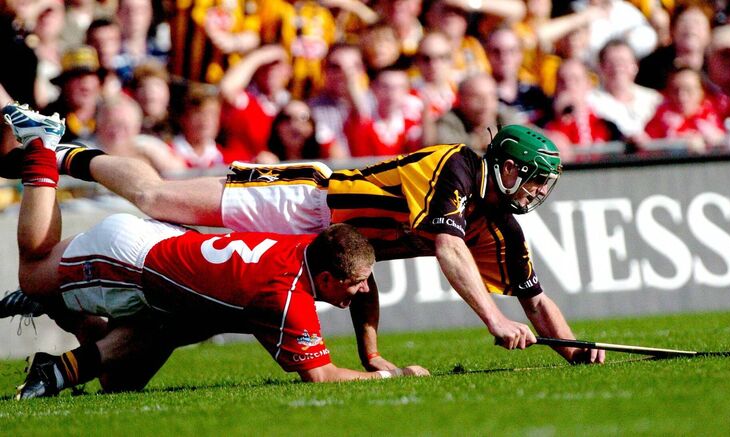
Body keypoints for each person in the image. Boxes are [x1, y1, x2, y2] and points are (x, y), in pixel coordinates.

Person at [4, 102, 606, 370]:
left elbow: (535, 295)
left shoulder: (499, 223)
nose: (533, 191)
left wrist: (572, 346)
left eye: (540, 184)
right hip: (303, 203)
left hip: (328, 237)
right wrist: (495, 324)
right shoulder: (455, 169)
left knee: (191, 304)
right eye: (528, 178)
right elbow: (449, 248)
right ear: (501, 163)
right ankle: (57, 146)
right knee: (158, 200)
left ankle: (58, 307)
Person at [4, 112, 428, 399]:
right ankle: (43, 150)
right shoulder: (284, 294)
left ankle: (58, 358)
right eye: (355, 284)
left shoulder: (307, 246)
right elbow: (323, 376)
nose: (363, 290)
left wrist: (372, 355)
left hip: (159, 257)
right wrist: (390, 376)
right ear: (331, 279)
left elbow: (351, 270)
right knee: (34, 269)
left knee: (123, 379)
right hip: (130, 262)